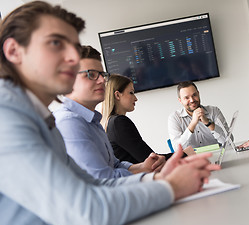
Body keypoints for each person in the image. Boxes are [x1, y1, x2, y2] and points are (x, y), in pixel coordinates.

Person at [0, 2, 219, 225]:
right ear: (13, 51)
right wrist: (172, 187)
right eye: (56, 43)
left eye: (74, 47)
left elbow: (94, 185)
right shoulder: (7, 118)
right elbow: (85, 213)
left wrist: (159, 179)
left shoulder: (40, 117)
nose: (73, 58)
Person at [54, 45, 168, 178]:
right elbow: (103, 178)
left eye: (102, 75)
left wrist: (143, 167)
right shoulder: (68, 122)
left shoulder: (94, 120)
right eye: (92, 74)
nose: (102, 80)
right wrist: (153, 178)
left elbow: (115, 165)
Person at [101, 74, 194, 164]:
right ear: (117, 95)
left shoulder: (110, 123)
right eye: (131, 93)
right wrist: (184, 154)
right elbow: (151, 161)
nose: (135, 98)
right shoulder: (119, 122)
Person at [168, 81, 230, 150]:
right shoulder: (174, 118)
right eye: (186, 98)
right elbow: (177, 149)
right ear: (180, 100)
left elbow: (229, 141)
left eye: (194, 95)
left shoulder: (214, 111)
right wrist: (192, 124)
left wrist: (208, 123)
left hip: (218, 157)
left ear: (198, 94)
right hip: (192, 159)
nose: (192, 100)